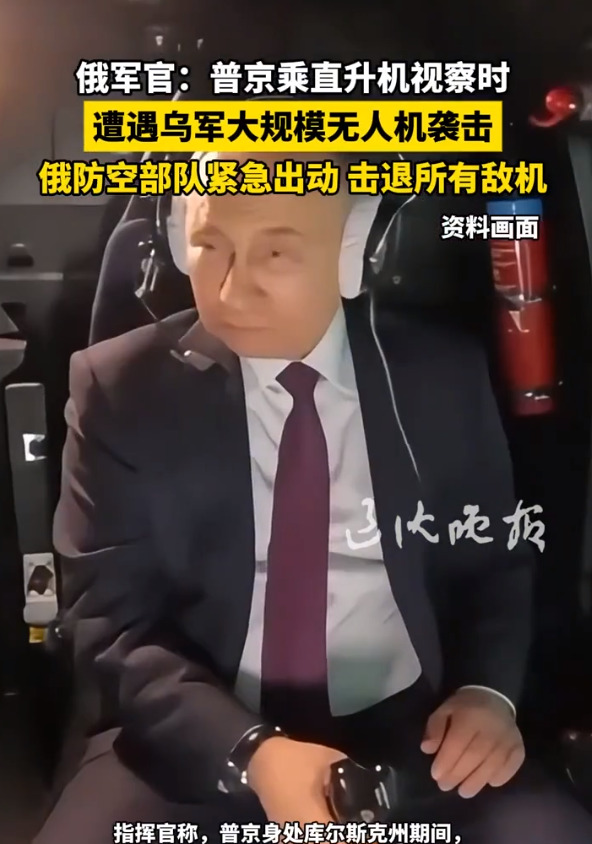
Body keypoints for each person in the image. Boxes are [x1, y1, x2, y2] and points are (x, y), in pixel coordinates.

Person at [35, 151, 592, 843]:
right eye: (210, 246)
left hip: (416, 743)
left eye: (276, 253)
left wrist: (487, 693)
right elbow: (111, 624)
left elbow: (493, 564)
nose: (232, 290)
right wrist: (254, 753)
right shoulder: (120, 390)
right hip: (201, 745)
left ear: (351, 252)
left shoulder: (440, 375)